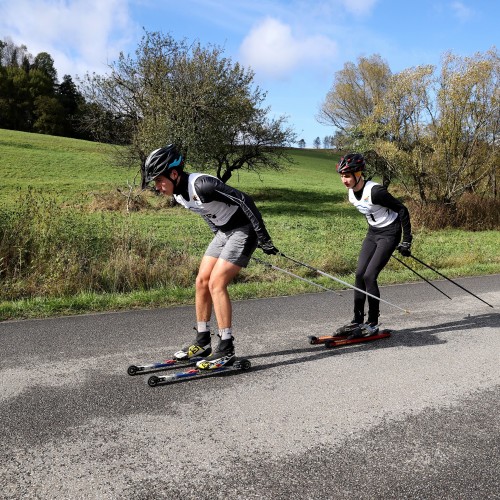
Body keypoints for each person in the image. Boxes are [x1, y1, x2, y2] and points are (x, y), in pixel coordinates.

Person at [142, 145, 279, 369]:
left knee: (217, 283)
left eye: (158, 180)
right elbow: (204, 212)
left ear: (174, 174)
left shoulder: (203, 185)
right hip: (224, 232)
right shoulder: (178, 195)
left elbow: (246, 201)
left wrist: (263, 238)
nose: (156, 187)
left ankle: (226, 347)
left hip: (244, 229)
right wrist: (219, 237)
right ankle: (203, 341)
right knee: (202, 281)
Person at [335, 153, 412, 338]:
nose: (344, 180)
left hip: (390, 232)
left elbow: (402, 209)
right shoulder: (351, 192)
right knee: (360, 274)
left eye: (347, 175)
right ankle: (357, 321)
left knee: (370, 276)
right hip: (373, 233)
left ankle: (372, 323)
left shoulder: (376, 192)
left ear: (358, 173)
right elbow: (371, 213)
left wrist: (406, 240)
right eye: (342, 176)